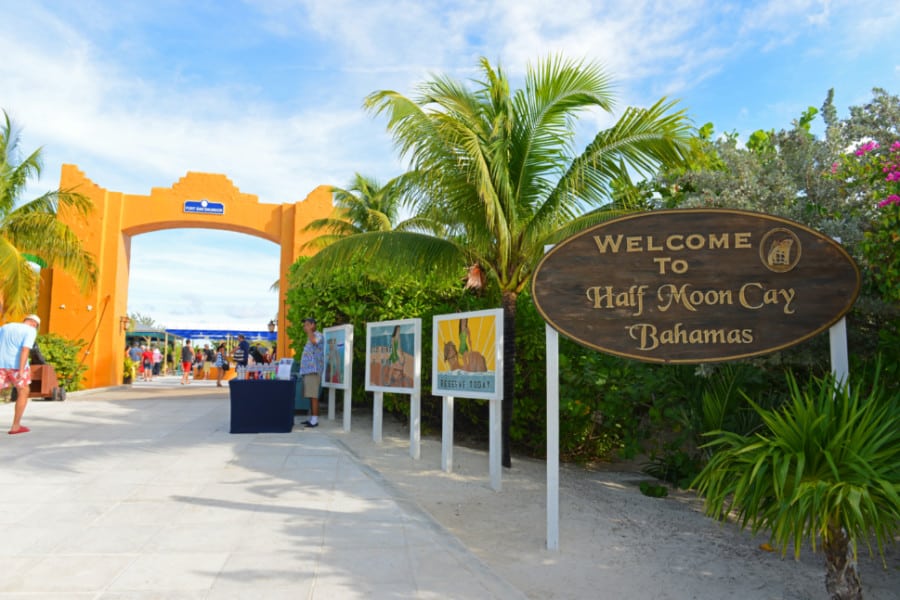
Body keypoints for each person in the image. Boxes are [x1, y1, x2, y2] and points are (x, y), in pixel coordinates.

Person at [0, 314, 41, 434]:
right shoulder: (30, 331)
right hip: (16, 366)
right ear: (34, 324)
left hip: (1, 365)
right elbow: (25, 349)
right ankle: (15, 426)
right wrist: (22, 370)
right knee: (23, 391)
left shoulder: (5, 327)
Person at [298, 318, 324, 428]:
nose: (305, 327)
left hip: (314, 370)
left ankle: (315, 420)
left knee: (314, 396)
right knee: (310, 395)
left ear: (313, 325)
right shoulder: (310, 336)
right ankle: (312, 418)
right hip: (308, 371)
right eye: (304, 325)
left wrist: (309, 330)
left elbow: (315, 341)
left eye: (307, 324)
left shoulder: (318, 335)